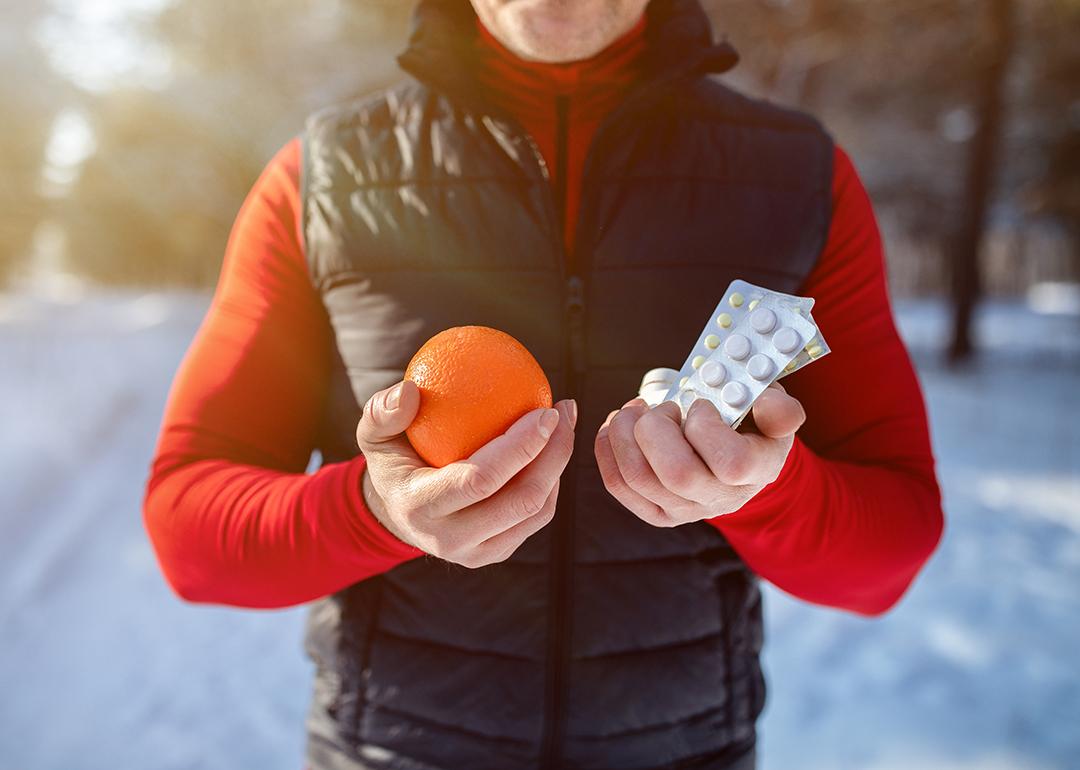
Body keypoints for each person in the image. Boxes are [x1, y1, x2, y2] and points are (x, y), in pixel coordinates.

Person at [143, 0, 945, 767]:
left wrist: (767, 490)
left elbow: (892, 551)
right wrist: (374, 512)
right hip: (393, 755)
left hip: (686, 753)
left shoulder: (801, 180)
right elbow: (190, 536)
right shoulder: (321, 183)